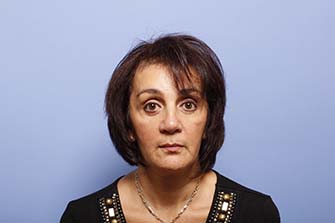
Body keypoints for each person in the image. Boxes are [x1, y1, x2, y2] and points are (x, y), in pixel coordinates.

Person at [60, 34, 280, 223]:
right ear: (128, 125)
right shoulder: (82, 217)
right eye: (152, 106)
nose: (171, 124)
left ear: (209, 120)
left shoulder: (256, 214)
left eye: (188, 105)